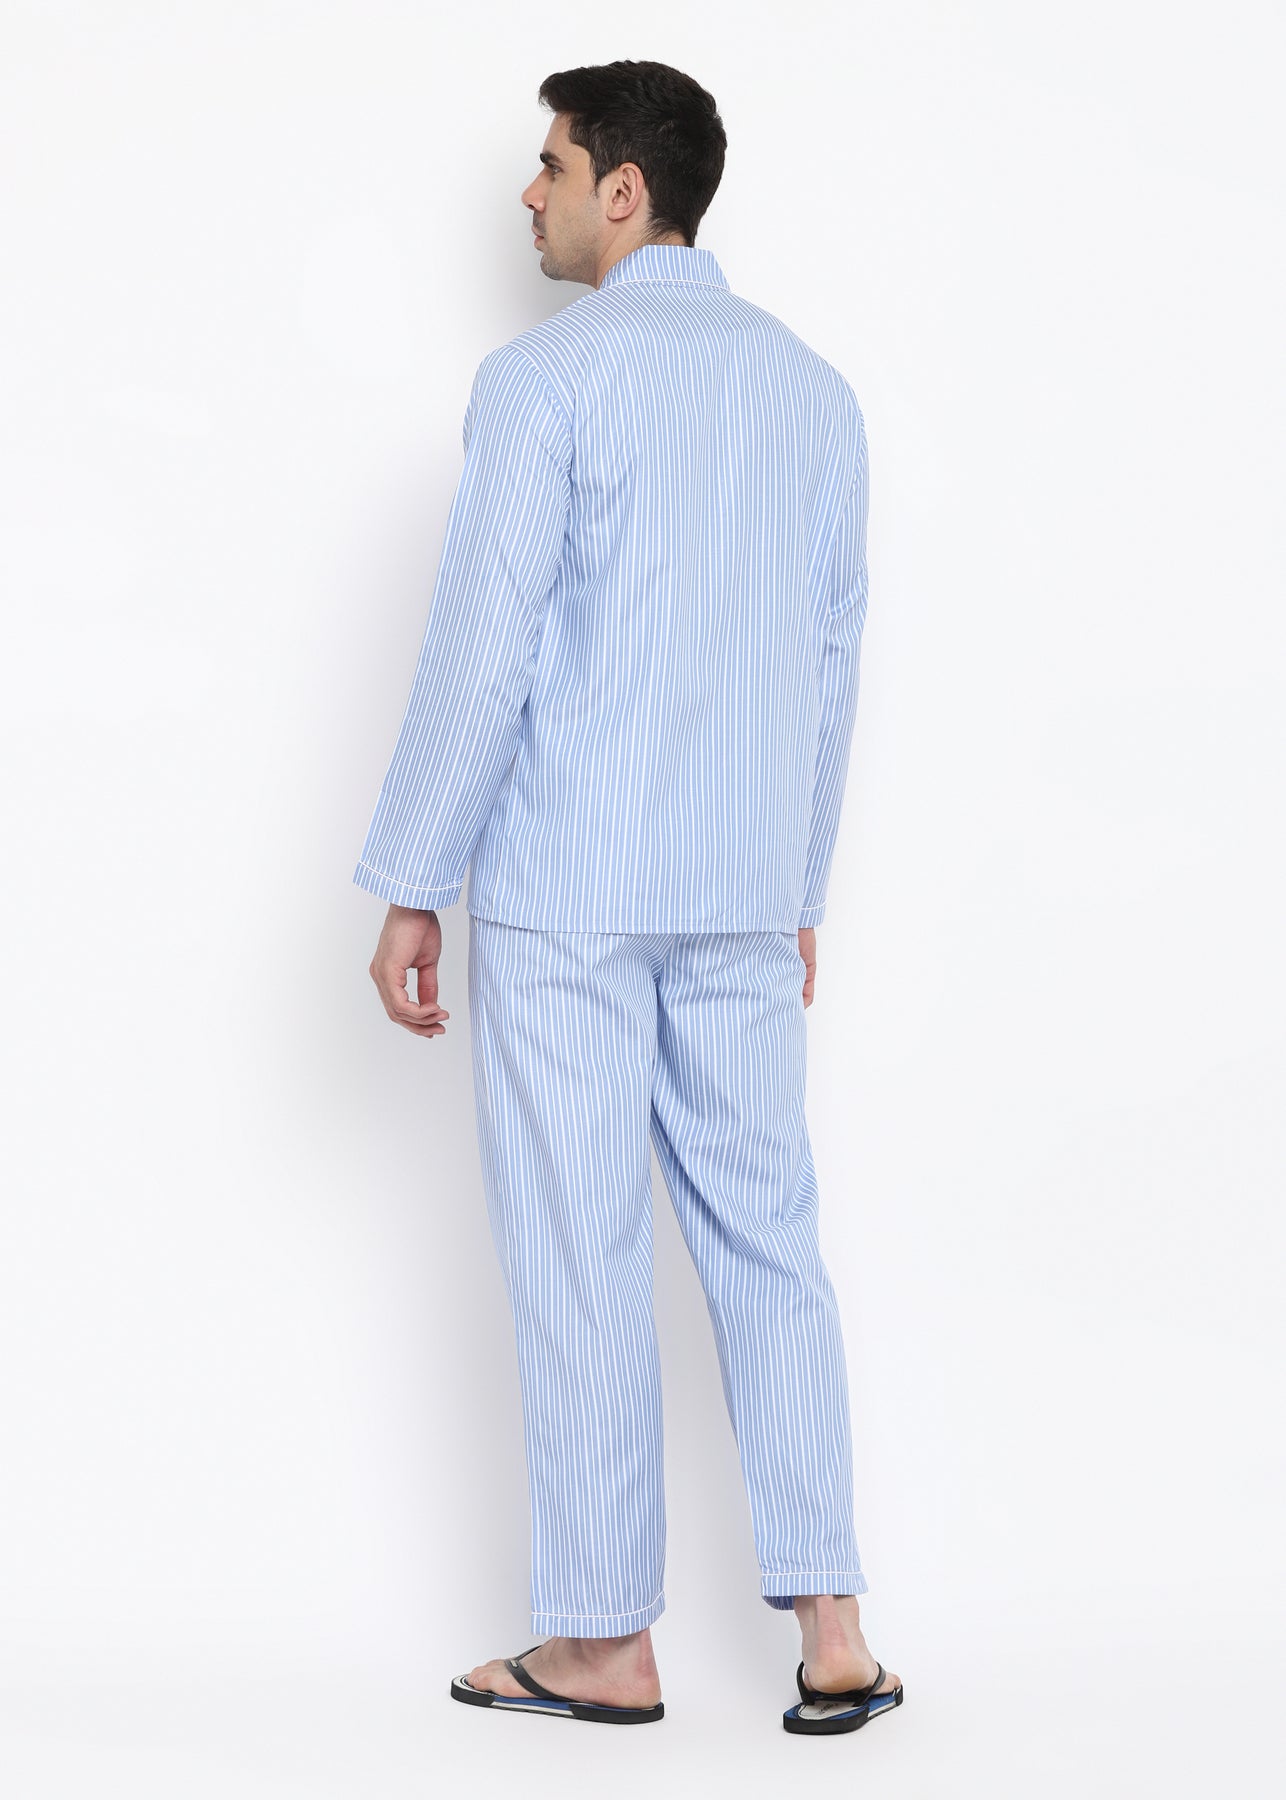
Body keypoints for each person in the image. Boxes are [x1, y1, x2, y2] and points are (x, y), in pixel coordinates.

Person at [353, 59, 902, 1736]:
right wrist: (797, 884)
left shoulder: (545, 382)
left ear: (623, 190)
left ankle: (602, 1644)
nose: (525, 194)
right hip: (739, 888)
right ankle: (833, 1631)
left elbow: (484, 645)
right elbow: (830, 664)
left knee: (580, 1250)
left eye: (550, 164)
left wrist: (410, 879)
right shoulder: (813, 393)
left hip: (570, 888)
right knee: (769, 1239)